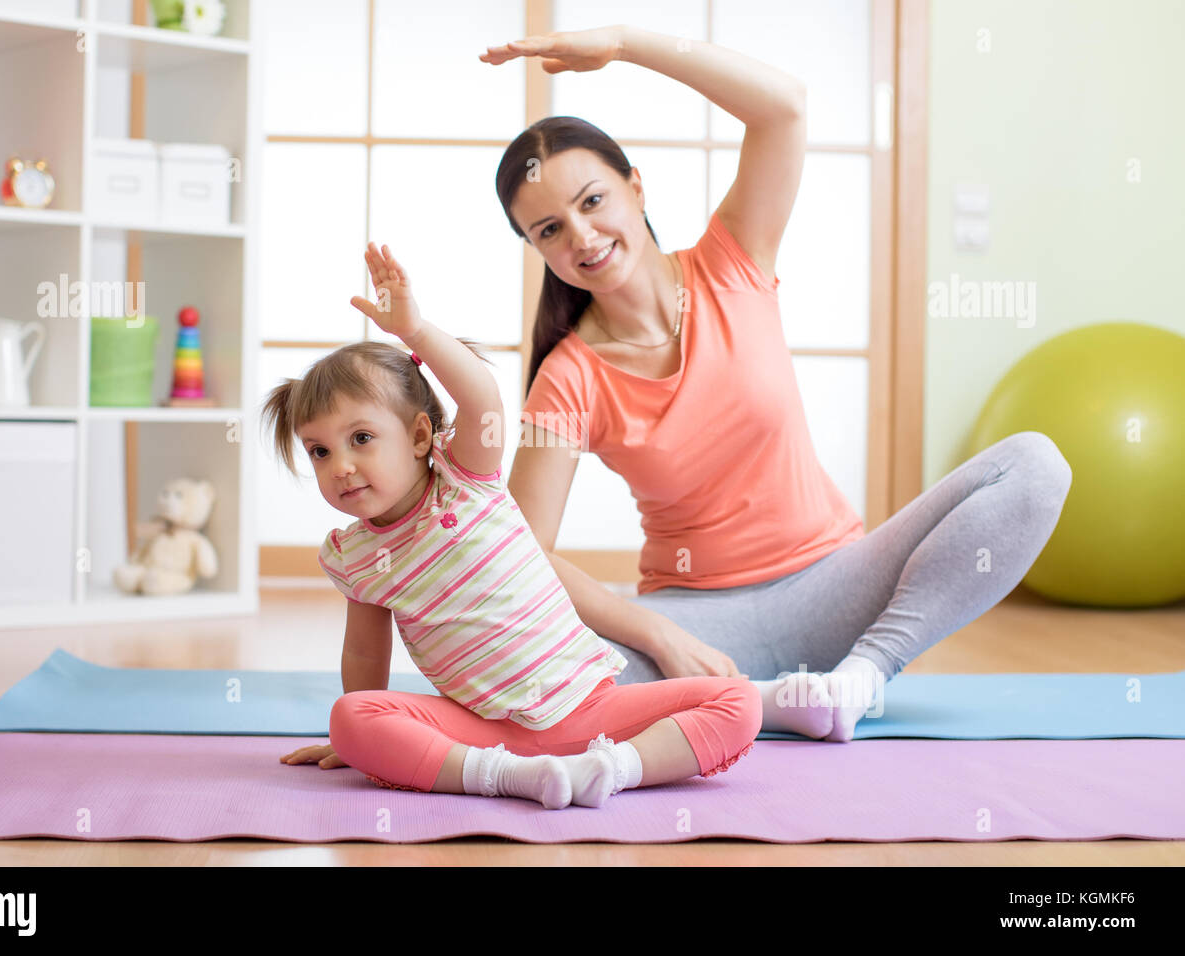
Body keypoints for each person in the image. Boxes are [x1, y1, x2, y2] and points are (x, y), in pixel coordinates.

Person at [485, 26, 1073, 742]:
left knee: (1036, 467)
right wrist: (659, 636)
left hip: (831, 589)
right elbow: (522, 553)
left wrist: (623, 44)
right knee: (519, 673)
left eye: (592, 200)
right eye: (548, 229)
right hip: (695, 627)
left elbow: (783, 109)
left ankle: (858, 679)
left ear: (635, 188)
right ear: (537, 250)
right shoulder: (568, 377)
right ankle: (760, 699)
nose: (579, 235)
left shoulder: (732, 259)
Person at [263, 241, 764, 809]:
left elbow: (482, 398)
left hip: (593, 709)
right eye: (320, 452)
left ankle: (613, 768)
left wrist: (417, 330)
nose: (341, 467)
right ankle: (509, 777)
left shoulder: (465, 479)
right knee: (351, 717)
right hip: (483, 733)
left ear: (421, 437)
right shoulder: (354, 557)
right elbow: (363, 657)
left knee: (738, 703)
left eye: (360, 439)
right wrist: (358, 740)